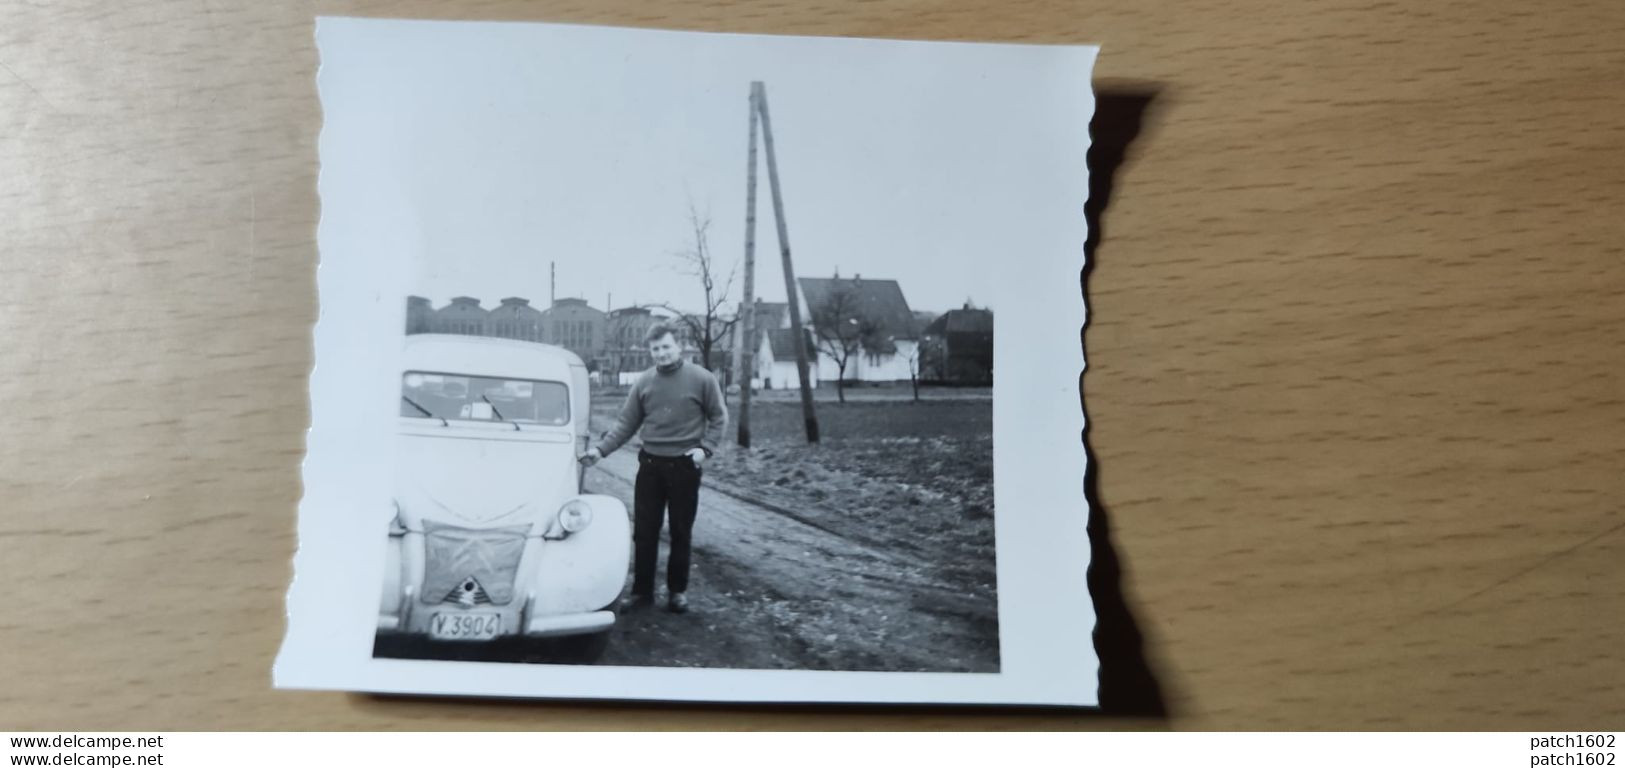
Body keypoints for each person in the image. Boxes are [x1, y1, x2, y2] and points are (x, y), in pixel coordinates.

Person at [579, 322, 726, 614]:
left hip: (685, 467)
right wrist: (600, 451)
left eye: (666, 347)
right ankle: (642, 593)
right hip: (650, 466)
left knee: (681, 531)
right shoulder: (644, 382)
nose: (662, 353)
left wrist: (704, 449)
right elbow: (626, 423)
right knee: (645, 531)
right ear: (650, 351)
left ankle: (677, 592)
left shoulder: (702, 378)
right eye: (656, 349)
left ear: (679, 346)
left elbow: (719, 418)